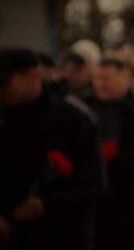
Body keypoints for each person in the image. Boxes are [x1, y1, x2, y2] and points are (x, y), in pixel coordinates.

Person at [0, 48, 104, 250]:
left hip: (61, 236)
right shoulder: (4, 119)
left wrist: (45, 206)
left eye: (4, 83)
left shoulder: (73, 120)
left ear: (32, 76)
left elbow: (93, 184)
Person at [86, 57, 134, 250]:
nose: (101, 84)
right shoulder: (84, 109)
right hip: (94, 202)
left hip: (130, 202)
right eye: (97, 78)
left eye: (107, 78)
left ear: (125, 78)